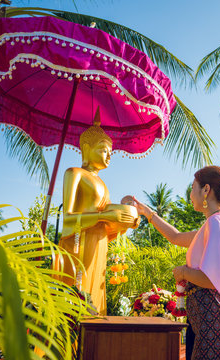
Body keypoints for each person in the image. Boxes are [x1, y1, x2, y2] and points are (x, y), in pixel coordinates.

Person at [133, 166, 220, 360]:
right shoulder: (214, 223)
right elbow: (175, 236)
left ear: (206, 190)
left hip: (210, 315)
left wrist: (183, 272)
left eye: (192, 188)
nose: (190, 194)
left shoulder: (216, 223)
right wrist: (148, 213)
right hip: (203, 314)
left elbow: (213, 279)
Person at [53, 110, 139, 315]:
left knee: (96, 298)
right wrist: (104, 216)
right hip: (77, 244)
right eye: (103, 149)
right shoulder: (74, 173)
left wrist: (125, 222)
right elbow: (68, 219)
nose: (109, 155)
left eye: (111, 151)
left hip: (98, 244)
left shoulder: (103, 184)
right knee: (77, 295)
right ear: (85, 148)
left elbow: (108, 225)